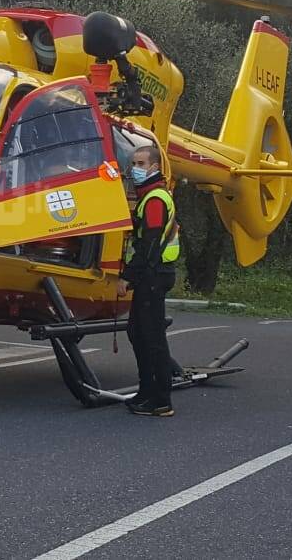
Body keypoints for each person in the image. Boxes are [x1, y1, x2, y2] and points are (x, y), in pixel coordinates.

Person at [118, 145, 180, 416]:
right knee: (137, 333)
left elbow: (150, 245)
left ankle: (161, 399)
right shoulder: (150, 196)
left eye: (141, 163)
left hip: (154, 275)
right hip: (153, 274)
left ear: (155, 166)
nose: (136, 169)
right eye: (134, 163)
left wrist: (128, 277)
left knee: (151, 337)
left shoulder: (154, 199)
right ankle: (146, 392)